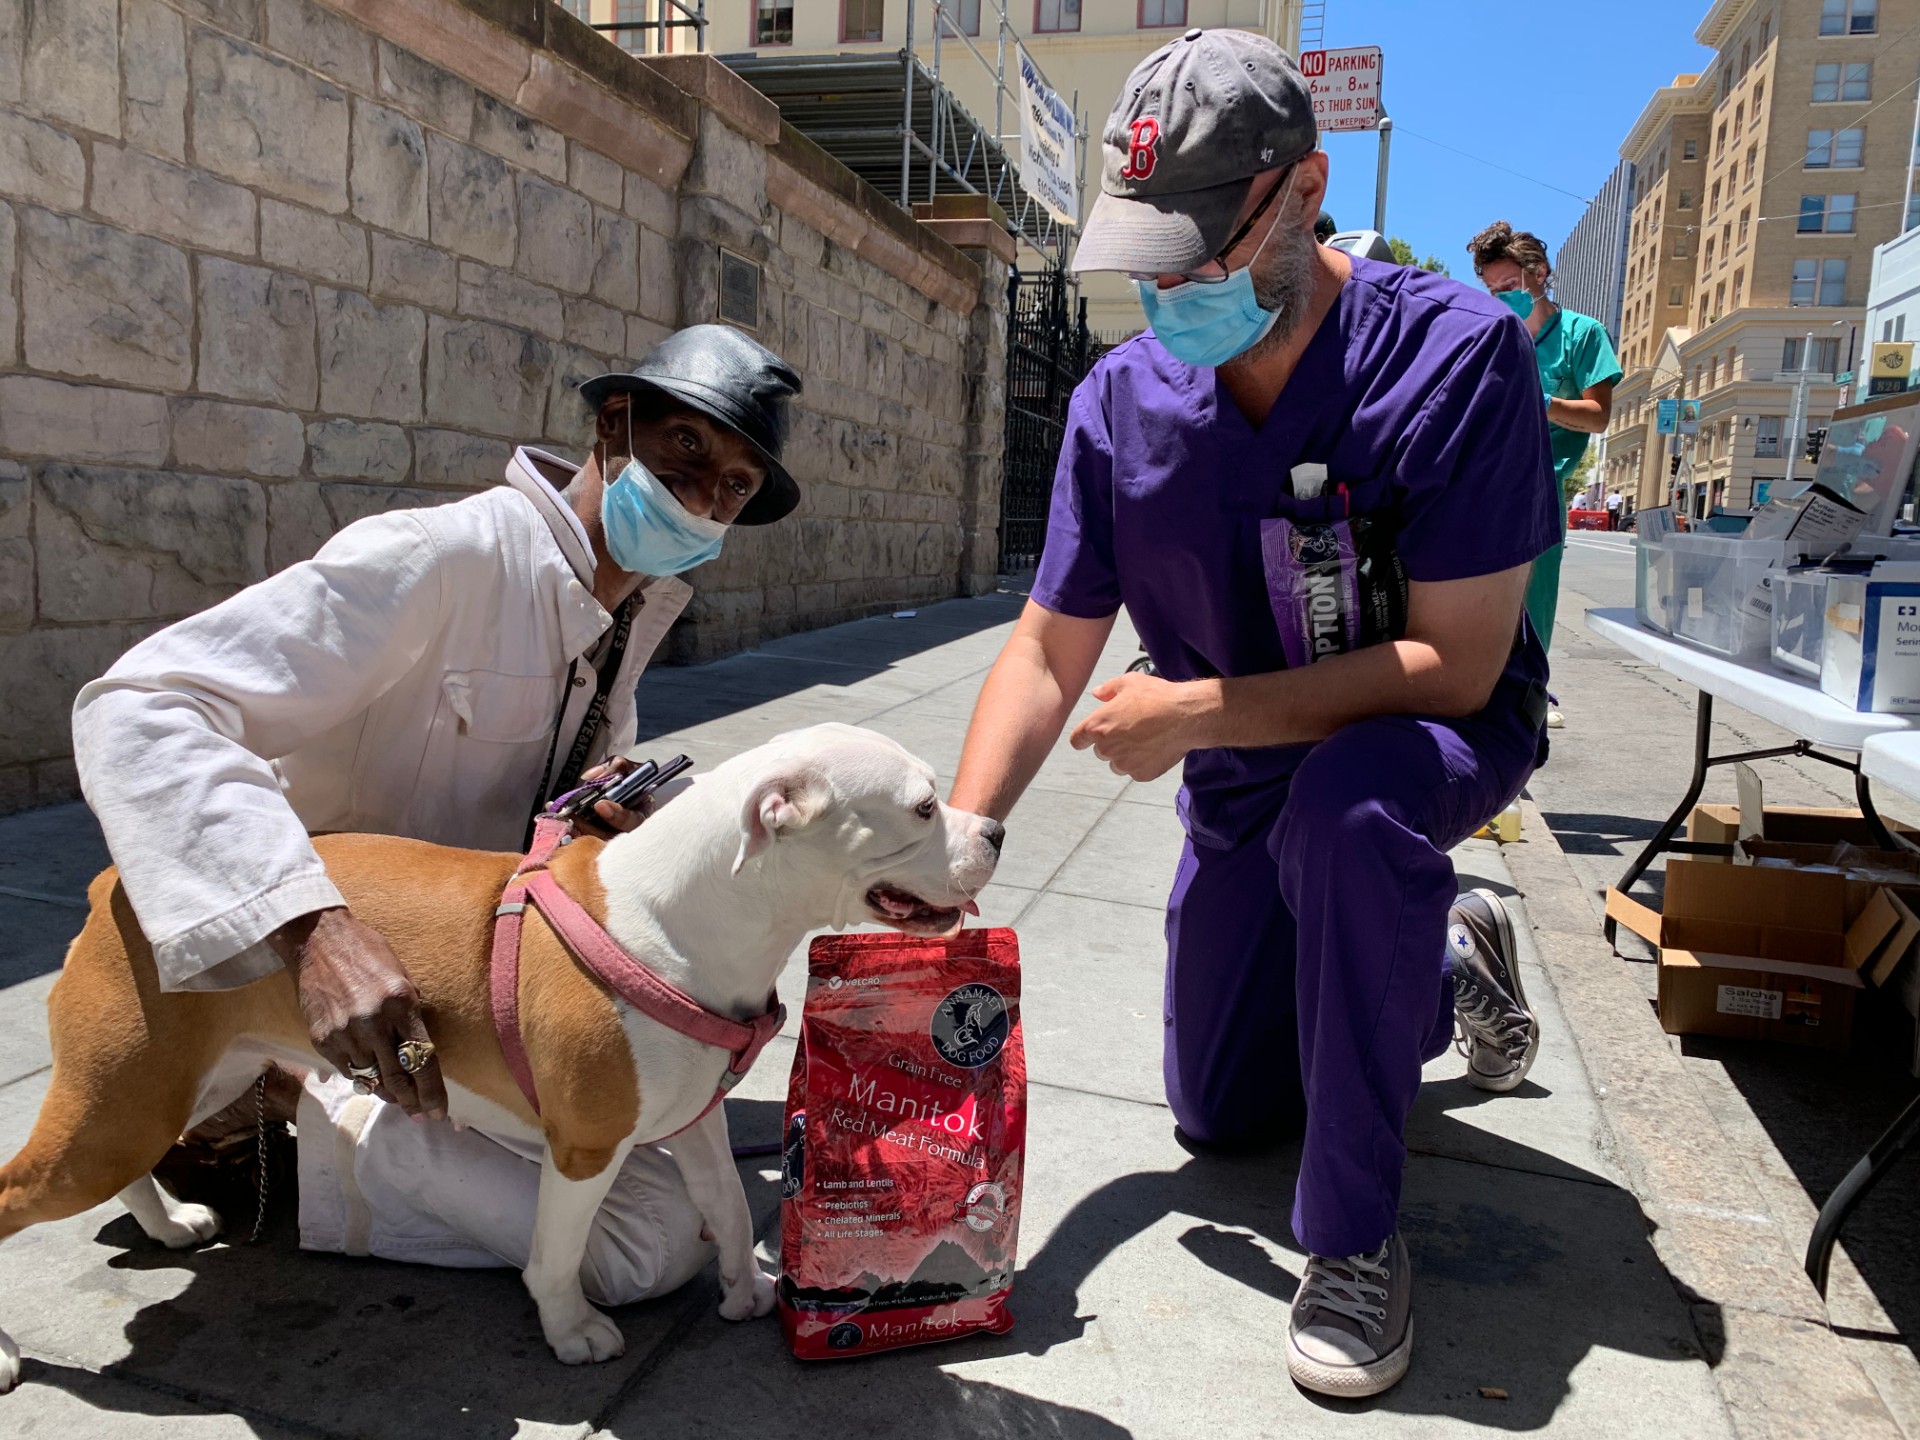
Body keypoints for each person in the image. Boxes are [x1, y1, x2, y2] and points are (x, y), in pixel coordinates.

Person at [949, 29, 1555, 1399]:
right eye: (1144, 254)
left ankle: (1355, 1238)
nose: (1169, 287)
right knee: (1218, 1113)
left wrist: (1197, 710)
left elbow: (1458, 667)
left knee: (1350, 818)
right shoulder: (1122, 406)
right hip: (1234, 771)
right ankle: (1444, 954)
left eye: (1201, 251)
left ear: (1305, 189)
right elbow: (1048, 649)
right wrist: (963, 838)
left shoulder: (1456, 359)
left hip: (1417, 744)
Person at [71, 325, 802, 1301]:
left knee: (669, 1148)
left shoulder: (622, 614)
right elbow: (142, 706)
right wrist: (311, 933)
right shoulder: (440, 556)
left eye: (735, 485)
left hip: (456, 999)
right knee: (651, 1241)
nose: (705, 496)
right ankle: (264, 1100)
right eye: (688, 451)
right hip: (326, 1002)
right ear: (613, 425)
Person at [1467, 221, 1622, 726]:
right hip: (1481, 478)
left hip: (1539, 483)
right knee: (1470, 593)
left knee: (1533, 598)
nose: (1500, 298)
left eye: (1509, 288)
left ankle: (1530, 695)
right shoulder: (1487, 333)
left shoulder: (1581, 334)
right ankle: (1474, 693)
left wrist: (1545, 402)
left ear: (1541, 275)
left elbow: (1598, 416)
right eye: (1492, 290)